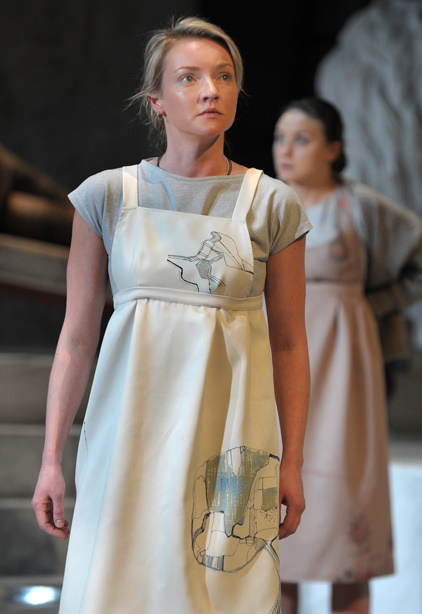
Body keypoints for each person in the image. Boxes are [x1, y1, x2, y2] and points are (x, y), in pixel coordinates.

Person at [32, 17, 312, 614]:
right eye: (189, 78)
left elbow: (290, 343)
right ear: (156, 100)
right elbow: (77, 339)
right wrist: (52, 459)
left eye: (224, 77)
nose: (211, 90)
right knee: (118, 589)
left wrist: (292, 461)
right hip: (129, 437)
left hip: (232, 443)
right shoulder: (106, 196)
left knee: (225, 593)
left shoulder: (272, 204)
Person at [272, 97, 422, 614]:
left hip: (343, 370)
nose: (286, 150)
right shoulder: (264, 204)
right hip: (275, 362)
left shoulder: (359, 206)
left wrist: (373, 304)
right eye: (280, 138)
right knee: (274, 503)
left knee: (343, 496)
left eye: (302, 139)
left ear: (333, 149)